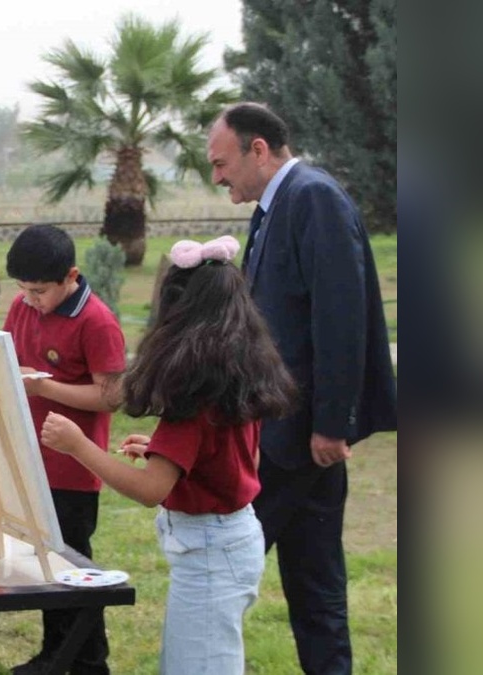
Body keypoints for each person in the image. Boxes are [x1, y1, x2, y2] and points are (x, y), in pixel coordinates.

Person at [41, 235, 299, 674]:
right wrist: (164, 452)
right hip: (232, 543)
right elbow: (237, 463)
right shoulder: (236, 374)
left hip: (211, 559)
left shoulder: (194, 395)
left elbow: (149, 490)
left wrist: (78, 445)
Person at [206, 102, 397, 674]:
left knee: (221, 575)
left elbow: (340, 319)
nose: (217, 177)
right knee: (314, 584)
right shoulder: (277, 203)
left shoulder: (311, 197)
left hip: (299, 435)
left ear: (257, 149)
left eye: (221, 163)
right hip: (280, 430)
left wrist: (332, 424)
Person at [2, 224, 125, 675]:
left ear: (70, 276)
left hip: (74, 467)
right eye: (24, 290)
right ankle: (55, 655)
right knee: (45, 567)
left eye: (39, 291)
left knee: (73, 568)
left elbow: (111, 397)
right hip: (30, 457)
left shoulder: (97, 321)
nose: (30, 300)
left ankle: (90, 662)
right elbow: (9, 359)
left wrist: (45, 387)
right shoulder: (21, 306)